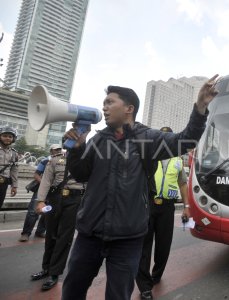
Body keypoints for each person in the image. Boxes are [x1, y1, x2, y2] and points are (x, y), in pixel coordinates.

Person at [61, 74, 219, 300]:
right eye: (103, 103)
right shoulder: (97, 140)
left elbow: (186, 140)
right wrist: (76, 149)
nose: (104, 108)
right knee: (72, 290)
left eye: (109, 102)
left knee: (118, 295)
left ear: (129, 108)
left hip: (127, 239)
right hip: (89, 235)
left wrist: (201, 106)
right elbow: (81, 174)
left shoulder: (149, 138)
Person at [136, 126, 190, 300]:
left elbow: (183, 184)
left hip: (167, 207)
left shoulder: (178, 161)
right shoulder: (149, 156)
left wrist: (187, 207)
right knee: (144, 245)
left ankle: (156, 276)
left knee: (163, 245)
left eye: (167, 136)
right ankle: (144, 285)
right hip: (148, 204)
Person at [30, 144, 85, 291]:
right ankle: (46, 268)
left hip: (75, 200)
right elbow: (46, 180)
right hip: (54, 198)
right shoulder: (55, 160)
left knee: (64, 238)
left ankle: (54, 273)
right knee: (50, 235)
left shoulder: (86, 159)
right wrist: (40, 201)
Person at [18, 147, 57, 242]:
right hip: (41, 189)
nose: (58, 152)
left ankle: (40, 231)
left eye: (60, 150)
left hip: (54, 192)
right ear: (51, 151)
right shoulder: (45, 161)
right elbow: (36, 175)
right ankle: (26, 233)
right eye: (56, 150)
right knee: (33, 211)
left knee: (47, 212)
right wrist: (46, 184)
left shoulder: (62, 162)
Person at [0, 126, 18, 210]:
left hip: (3, 184)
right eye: (5, 136)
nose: (7, 138)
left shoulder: (14, 153)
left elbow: (14, 170)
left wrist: (14, 186)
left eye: (10, 137)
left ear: (13, 139)